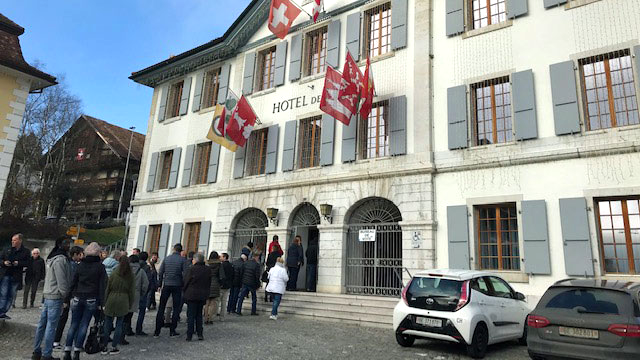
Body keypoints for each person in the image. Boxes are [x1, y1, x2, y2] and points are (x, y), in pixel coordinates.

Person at [63, 242, 106, 360]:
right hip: (91, 298)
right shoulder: (100, 267)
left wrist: (67, 298)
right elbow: (102, 286)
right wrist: (103, 303)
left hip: (77, 296)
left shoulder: (80, 265)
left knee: (73, 324)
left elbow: (73, 282)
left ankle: (67, 350)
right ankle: (77, 351)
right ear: (98, 253)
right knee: (84, 325)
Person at [32, 236, 71, 360]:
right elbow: (62, 280)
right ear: (60, 244)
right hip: (55, 296)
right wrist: (66, 296)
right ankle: (46, 354)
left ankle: (37, 351)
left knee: (42, 325)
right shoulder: (60, 259)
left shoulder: (51, 258)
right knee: (50, 326)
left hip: (48, 294)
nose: (68, 246)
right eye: (66, 243)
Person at [101, 256, 134, 355]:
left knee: (107, 323)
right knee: (119, 324)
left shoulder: (114, 273)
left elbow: (108, 288)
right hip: (123, 299)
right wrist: (130, 303)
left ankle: (104, 346)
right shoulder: (130, 275)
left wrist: (104, 301)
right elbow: (131, 291)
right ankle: (114, 346)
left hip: (111, 297)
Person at [53, 246, 84, 350]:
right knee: (72, 319)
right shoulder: (73, 265)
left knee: (64, 318)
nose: (81, 256)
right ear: (75, 254)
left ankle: (56, 340)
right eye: (80, 254)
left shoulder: (68, 263)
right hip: (71, 294)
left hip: (68, 294)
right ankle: (69, 342)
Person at [154, 244, 187, 338]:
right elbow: (185, 274)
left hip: (167, 284)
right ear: (181, 251)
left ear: (173, 249)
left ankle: (157, 330)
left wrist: (159, 284)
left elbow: (161, 272)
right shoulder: (182, 260)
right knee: (176, 308)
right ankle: (172, 330)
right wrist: (183, 284)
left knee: (161, 307)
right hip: (177, 285)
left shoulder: (167, 259)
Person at [0, 233, 31, 319]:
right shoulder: (7, 249)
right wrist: (4, 263)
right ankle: (0, 310)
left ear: (20, 241)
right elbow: (0, 259)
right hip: (5, 274)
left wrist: (18, 263)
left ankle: (3, 312)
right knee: (3, 294)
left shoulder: (26, 251)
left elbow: (28, 263)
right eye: (12, 240)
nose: (13, 242)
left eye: (14, 240)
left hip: (16, 276)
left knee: (11, 295)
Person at [183, 253, 211, 341]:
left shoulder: (192, 269)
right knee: (199, 315)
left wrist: (184, 290)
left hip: (192, 294)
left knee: (191, 315)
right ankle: (200, 333)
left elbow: (186, 281)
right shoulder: (207, 269)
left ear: (196, 260)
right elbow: (209, 282)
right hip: (202, 295)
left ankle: (189, 334)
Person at [121, 255, 148, 344]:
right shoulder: (141, 271)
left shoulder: (123, 269)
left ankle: (120, 334)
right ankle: (125, 332)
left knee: (122, 315)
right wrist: (141, 294)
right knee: (129, 315)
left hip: (123, 293)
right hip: (135, 294)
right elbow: (145, 285)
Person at [204, 251, 224, 324]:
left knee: (207, 303)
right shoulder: (219, 264)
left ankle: (205, 318)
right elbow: (221, 276)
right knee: (213, 303)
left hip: (207, 283)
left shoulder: (207, 264)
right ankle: (210, 319)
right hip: (215, 284)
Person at [136, 252, 152, 335]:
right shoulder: (146, 267)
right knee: (141, 312)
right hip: (142, 291)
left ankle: (127, 328)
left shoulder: (134, 266)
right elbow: (148, 281)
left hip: (134, 290)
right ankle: (138, 329)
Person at [218, 253, 233, 321]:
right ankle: (222, 317)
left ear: (224, 257)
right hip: (227, 285)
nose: (220, 258)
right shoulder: (230, 265)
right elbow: (233, 275)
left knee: (217, 301)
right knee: (224, 302)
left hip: (222, 285)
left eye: (221, 257)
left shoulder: (221, 265)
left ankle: (214, 314)